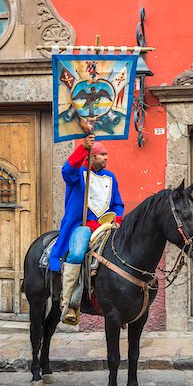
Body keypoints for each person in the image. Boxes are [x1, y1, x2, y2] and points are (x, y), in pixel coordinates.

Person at [49, 134, 124, 324]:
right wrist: (83, 147)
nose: (107, 157)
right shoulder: (77, 175)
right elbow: (67, 170)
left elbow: (117, 204)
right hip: (82, 226)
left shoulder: (111, 177)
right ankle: (70, 303)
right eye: (102, 155)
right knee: (76, 254)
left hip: (107, 227)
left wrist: (118, 219)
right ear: (92, 157)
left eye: (107, 154)